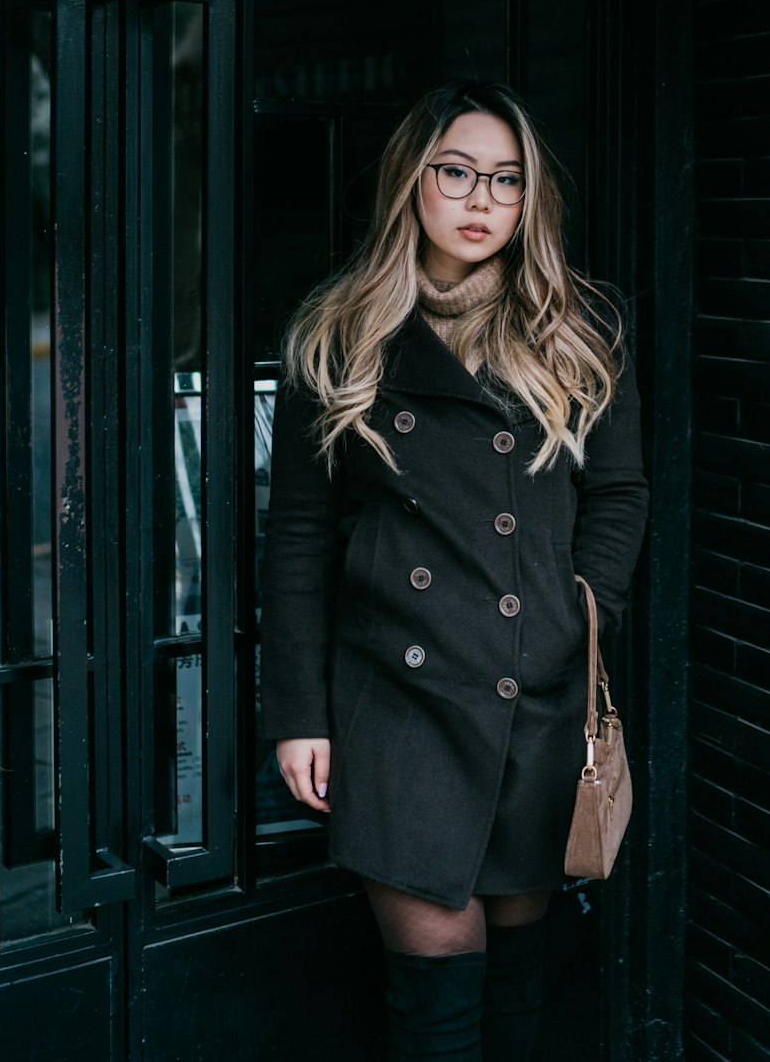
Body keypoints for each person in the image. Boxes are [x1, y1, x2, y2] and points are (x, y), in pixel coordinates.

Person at [261, 80, 649, 1061]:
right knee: (433, 992)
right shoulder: (339, 334)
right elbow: (300, 536)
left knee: (519, 993)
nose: (481, 200)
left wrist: (577, 614)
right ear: (411, 184)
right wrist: (300, 713)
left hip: (535, 689)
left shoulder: (579, 329)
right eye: (457, 172)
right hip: (396, 701)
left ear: (529, 201)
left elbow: (620, 496)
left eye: (506, 180)